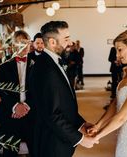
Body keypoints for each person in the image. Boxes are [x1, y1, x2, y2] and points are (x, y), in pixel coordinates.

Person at [29, 21, 98, 157]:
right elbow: (52, 114)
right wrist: (81, 139)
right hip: (51, 144)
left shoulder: (54, 62)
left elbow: (64, 104)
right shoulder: (45, 69)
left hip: (59, 140)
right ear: (52, 42)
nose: (70, 43)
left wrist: (81, 124)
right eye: (66, 39)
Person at [88, 29, 127, 157]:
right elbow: (116, 103)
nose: (117, 55)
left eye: (120, 49)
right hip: (123, 133)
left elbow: (122, 116)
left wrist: (98, 136)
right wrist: (97, 125)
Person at [0, 30, 35, 157]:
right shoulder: (3, 65)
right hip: (10, 114)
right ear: (13, 46)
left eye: (25, 43)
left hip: (32, 113)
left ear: (30, 45)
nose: (23, 46)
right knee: (10, 152)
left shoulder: (38, 65)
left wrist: (26, 107)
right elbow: (1, 90)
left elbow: (40, 91)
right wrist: (15, 107)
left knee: (35, 150)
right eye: (19, 43)